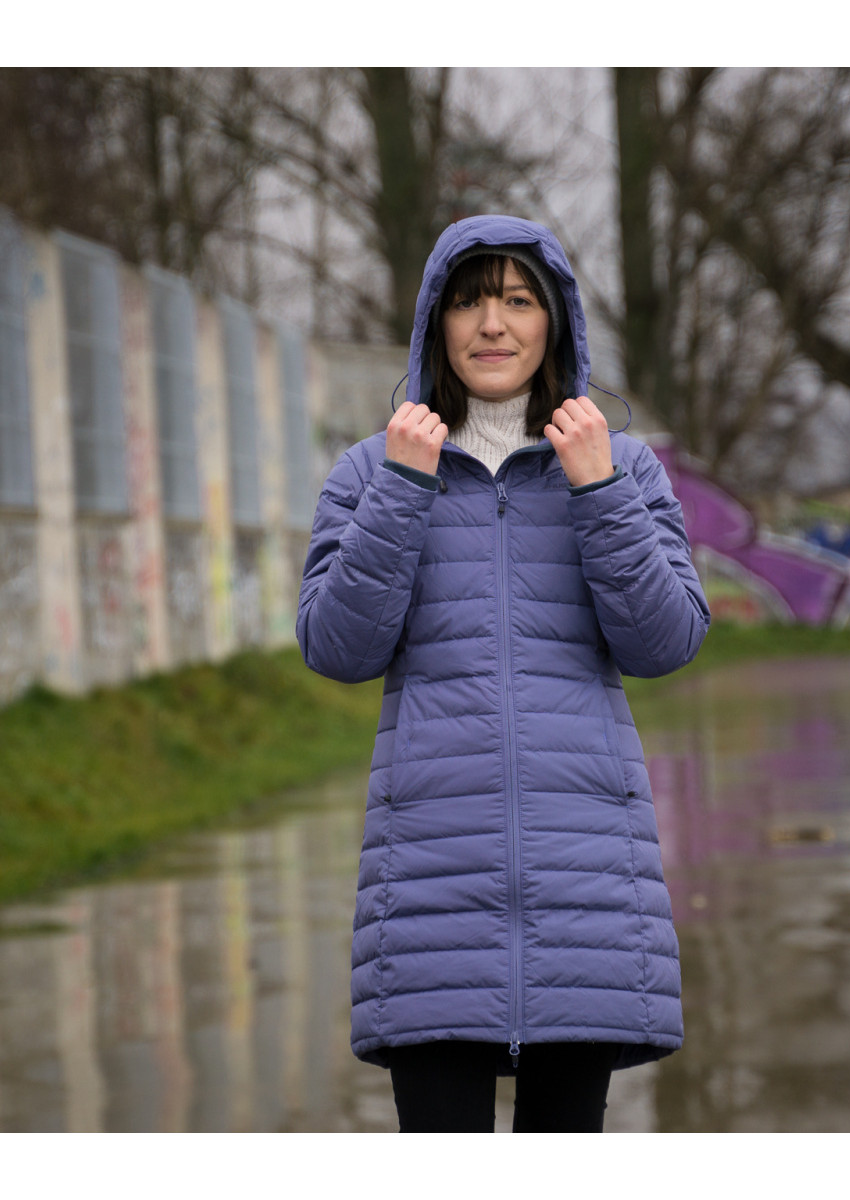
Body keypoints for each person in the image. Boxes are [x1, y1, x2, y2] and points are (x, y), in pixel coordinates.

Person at [297, 214, 711, 1132]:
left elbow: (665, 643)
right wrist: (404, 488)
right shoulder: (372, 470)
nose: (493, 323)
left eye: (519, 301)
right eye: (469, 301)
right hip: (428, 904)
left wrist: (597, 490)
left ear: (554, 322)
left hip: (588, 898)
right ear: (434, 322)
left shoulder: (622, 467)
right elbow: (336, 648)